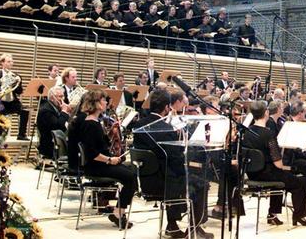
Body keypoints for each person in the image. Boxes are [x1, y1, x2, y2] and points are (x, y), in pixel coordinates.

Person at [132, 89, 214, 239]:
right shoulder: (166, 128)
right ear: (166, 107)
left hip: (145, 179)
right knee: (201, 183)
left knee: (180, 176)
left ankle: (172, 225)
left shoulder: (138, 125)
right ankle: (195, 227)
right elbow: (176, 158)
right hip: (163, 182)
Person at [242, 100, 306, 226]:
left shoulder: (247, 131)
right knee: (299, 182)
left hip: (252, 173)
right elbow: (278, 163)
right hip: (267, 173)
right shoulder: (269, 133)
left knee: (282, 178)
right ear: (267, 113)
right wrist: (287, 168)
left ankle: (273, 214)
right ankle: (299, 216)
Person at [78, 89, 137, 230]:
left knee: (131, 170)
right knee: (130, 177)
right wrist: (110, 160)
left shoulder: (95, 122)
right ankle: (118, 214)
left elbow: (101, 144)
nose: (106, 102)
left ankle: (118, 212)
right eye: (103, 100)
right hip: (96, 166)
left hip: (100, 163)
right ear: (96, 103)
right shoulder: (90, 124)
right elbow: (92, 153)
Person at [0, 53, 29, 140]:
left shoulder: (16, 76)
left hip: (12, 102)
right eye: (8, 61)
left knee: (24, 111)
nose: (11, 63)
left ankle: (21, 134)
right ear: (2, 63)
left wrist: (18, 83)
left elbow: (19, 92)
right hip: (0, 102)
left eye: (11, 62)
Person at [36, 86, 72, 159]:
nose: (63, 99)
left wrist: (69, 113)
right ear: (52, 98)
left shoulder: (56, 107)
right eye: (60, 96)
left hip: (59, 141)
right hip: (50, 145)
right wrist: (64, 112)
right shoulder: (46, 110)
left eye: (63, 96)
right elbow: (58, 127)